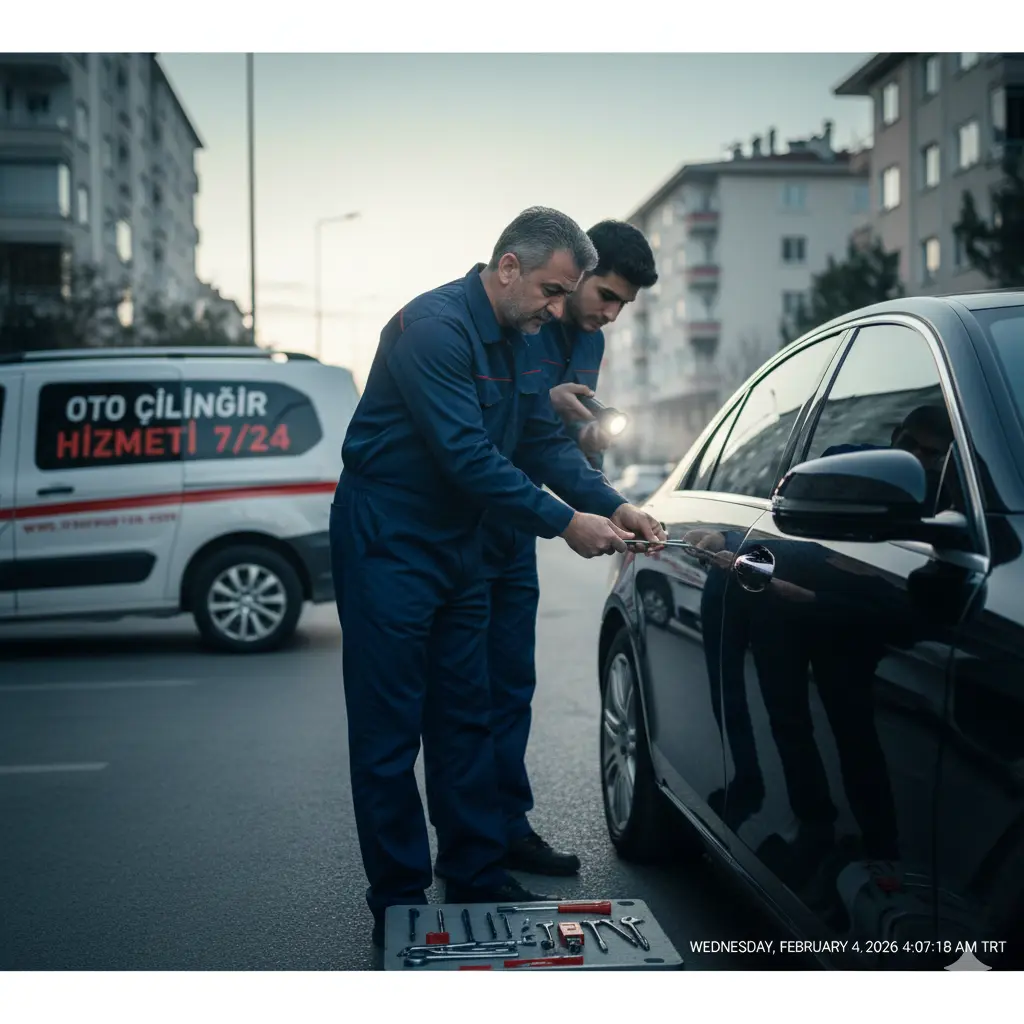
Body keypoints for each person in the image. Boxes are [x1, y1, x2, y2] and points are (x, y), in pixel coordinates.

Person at [330, 206, 665, 945]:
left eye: (565, 295)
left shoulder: (521, 335)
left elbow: (540, 441)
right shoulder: (433, 328)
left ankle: (476, 874)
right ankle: (399, 900)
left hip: (461, 540)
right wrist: (563, 522)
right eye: (552, 291)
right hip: (390, 535)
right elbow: (468, 455)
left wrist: (616, 505)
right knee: (390, 732)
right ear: (507, 266)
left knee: (466, 714)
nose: (558, 311)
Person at [477, 220, 660, 875]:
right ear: (577, 274)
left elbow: (553, 443)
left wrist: (606, 483)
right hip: (471, 518)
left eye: (623, 307)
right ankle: (470, 850)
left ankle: (507, 830)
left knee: (512, 687)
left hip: (515, 525)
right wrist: (566, 511)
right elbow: (486, 431)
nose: (609, 315)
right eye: (605, 296)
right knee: (463, 695)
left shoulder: (588, 341)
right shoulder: (521, 315)